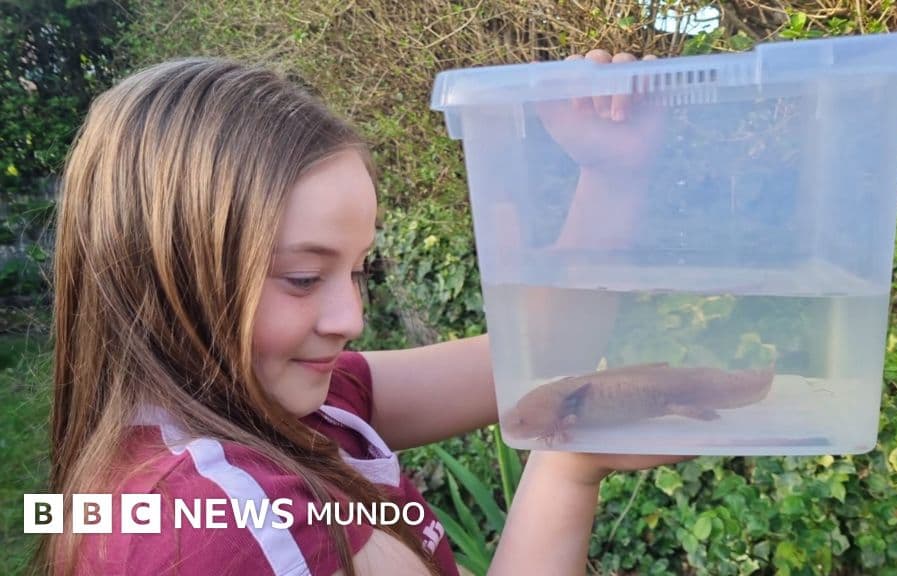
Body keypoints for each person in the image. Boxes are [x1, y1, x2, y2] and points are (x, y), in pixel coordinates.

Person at [37, 49, 686, 576]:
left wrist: (611, 175)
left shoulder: (286, 402)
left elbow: (541, 353)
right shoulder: (228, 527)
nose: (350, 317)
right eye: (302, 277)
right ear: (166, 272)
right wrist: (567, 467)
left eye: (357, 270)